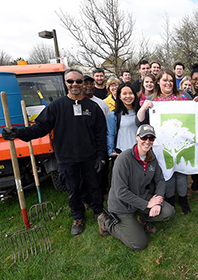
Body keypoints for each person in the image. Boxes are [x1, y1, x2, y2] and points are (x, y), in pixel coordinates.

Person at [2, 68, 107, 236]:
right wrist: (17, 133)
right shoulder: (56, 106)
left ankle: (99, 211)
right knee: (73, 189)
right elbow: (40, 128)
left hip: (89, 156)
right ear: (66, 83)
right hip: (66, 158)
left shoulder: (93, 107)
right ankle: (78, 217)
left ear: (83, 84)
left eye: (78, 81)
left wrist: (101, 156)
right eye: (71, 81)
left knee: (94, 186)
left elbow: (101, 134)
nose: (75, 84)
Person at [100, 124, 175, 251]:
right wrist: (147, 204)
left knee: (169, 212)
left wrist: (157, 201)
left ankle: (142, 219)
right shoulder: (124, 158)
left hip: (140, 198)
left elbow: (160, 180)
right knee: (139, 244)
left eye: (151, 138)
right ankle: (106, 223)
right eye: (144, 137)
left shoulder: (151, 158)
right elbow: (121, 192)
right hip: (122, 206)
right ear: (137, 138)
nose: (147, 141)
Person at [137, 68, 192, 215]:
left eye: (170, 80)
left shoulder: (183, 97)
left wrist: (197, 104)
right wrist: (144, 108)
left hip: (181, 142)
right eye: (164, 80)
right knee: (166, 173)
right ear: (158, 82)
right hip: (162, 144)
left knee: (181, 171)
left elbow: (195, 114)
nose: (168, 83)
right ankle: (170, 200)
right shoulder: (153, 100)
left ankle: (183, 200)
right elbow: (139, 121)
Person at [107, 83, 139, 157]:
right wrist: (110, 151)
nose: (128, 96)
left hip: (140, 152)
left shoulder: (141, 112)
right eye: (124, 93)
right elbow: (110, 134)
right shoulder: (114, 115)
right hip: (122, 153)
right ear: (119, 96)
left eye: (130, 93)